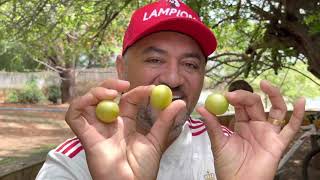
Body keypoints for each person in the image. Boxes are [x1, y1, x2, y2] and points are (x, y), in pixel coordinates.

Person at [36, 0, 306, 180]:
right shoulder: (69, 165)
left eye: (190, 64)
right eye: (155, 59)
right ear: (121, 69)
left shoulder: (231, 149)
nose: (173, 78)